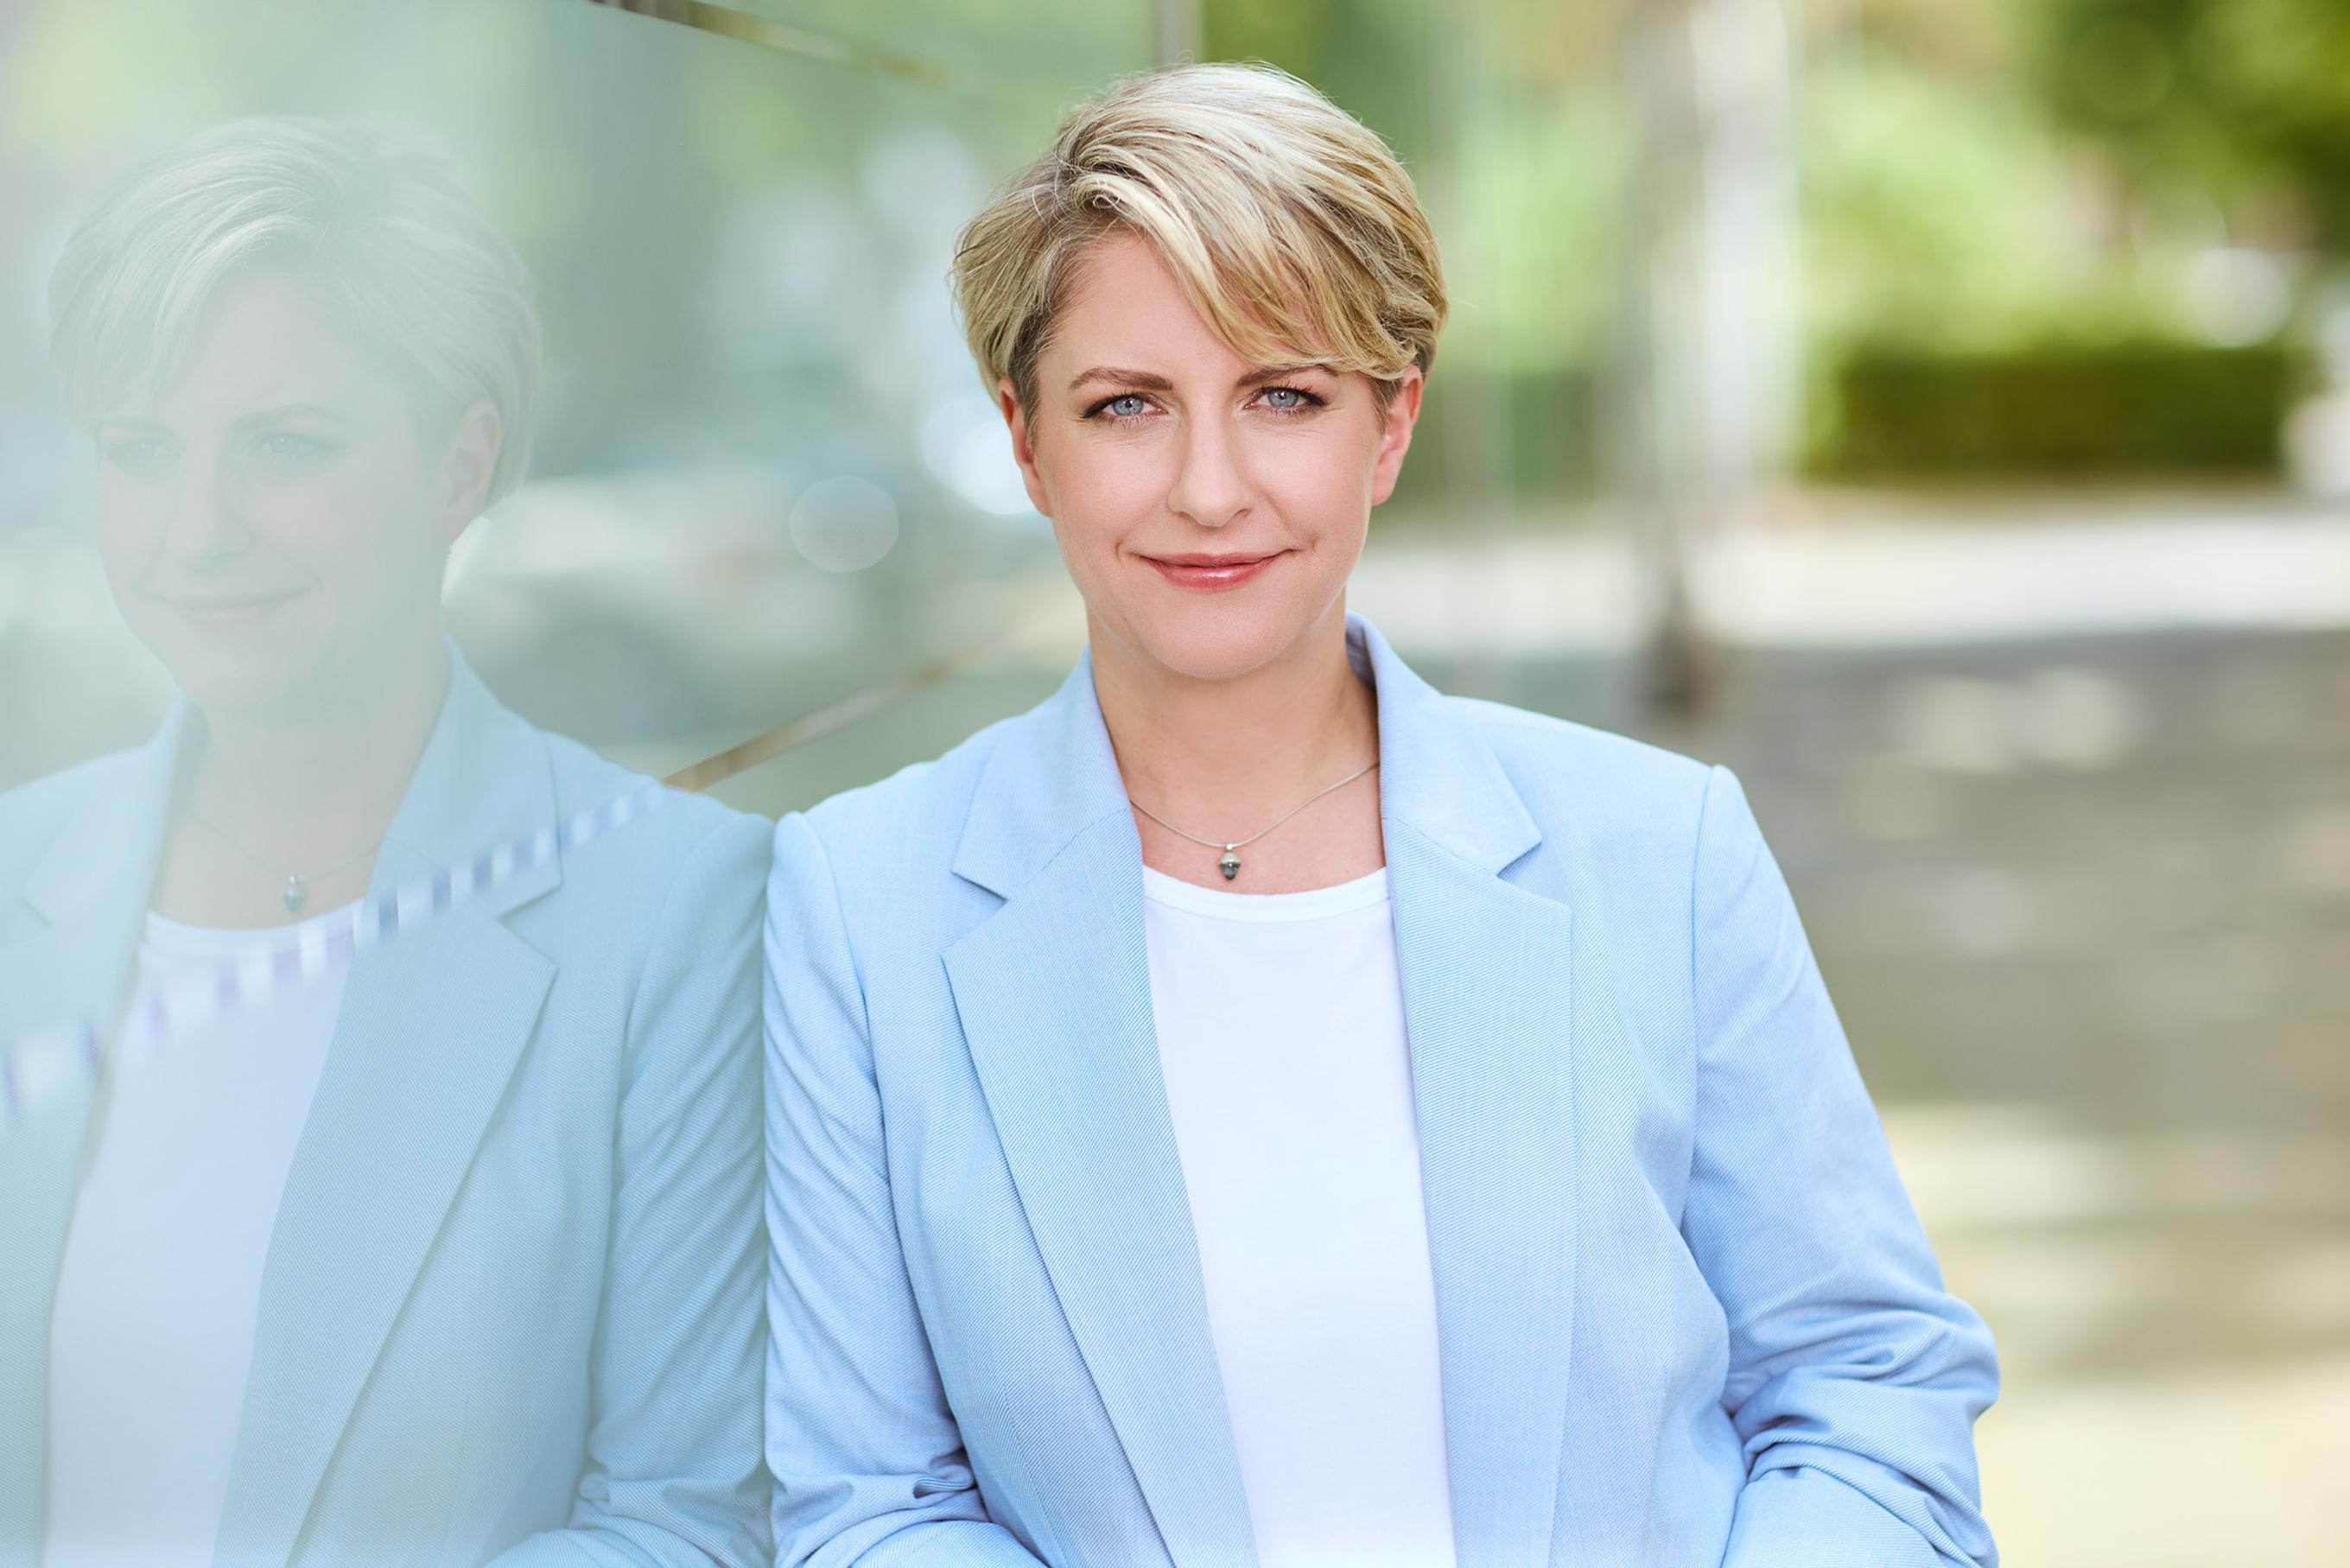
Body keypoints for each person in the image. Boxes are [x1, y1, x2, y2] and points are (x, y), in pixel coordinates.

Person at [759, 61, 1998, 1568]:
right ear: (1027, 442)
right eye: (1127, 405)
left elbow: (1867, 1392)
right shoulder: (857, 899)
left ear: (1392, 427)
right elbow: (870, 1506)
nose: (1209, 489)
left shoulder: (1661, 853)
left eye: (1284, 396)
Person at [0, 117, 769, 1566]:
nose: (195, 530)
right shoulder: (13, 879)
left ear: (459, 463)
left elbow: (685, 1519)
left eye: (284, 445)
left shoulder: (672, 912)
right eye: (141, 451)